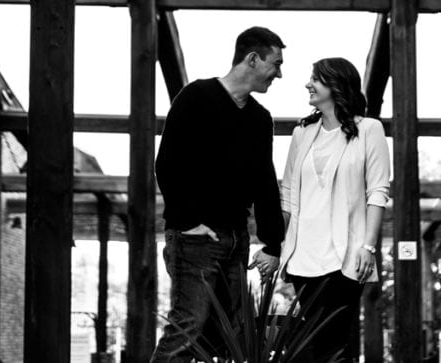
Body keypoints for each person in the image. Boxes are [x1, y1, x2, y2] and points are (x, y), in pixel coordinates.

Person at [151, 26, 287, 363]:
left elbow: (264, 181)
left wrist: (272, 243)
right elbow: (167, 164)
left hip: (236, 240)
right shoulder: (195, 97)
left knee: (228, 334)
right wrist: (187, 222)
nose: (279, 74)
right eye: (276, 64)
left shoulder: (259, 119)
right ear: (252, 59)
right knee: (188, 326)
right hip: (195, 238)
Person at [279, 57, 391, 362]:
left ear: (337, 85)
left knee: (333, 344)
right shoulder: (302, 134)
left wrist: (368, 246)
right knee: (312, 344)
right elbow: (287, 194)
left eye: (316, 78)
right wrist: (276, 246)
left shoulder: (369, 129)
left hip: (345, 257)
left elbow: (378, 192)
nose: (308, 84)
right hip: (303, 257)